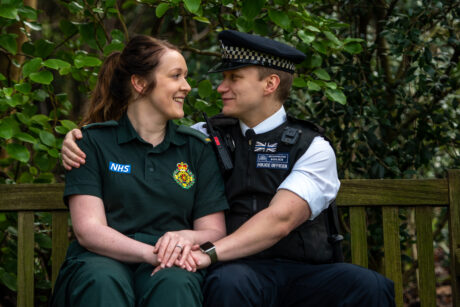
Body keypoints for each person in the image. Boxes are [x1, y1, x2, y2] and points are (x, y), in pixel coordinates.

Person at [61, 30, 395, 306]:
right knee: (228, 282)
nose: (220, 87)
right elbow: (145, 131)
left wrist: (207, 253)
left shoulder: (313, 147)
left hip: (301, 268)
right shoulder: (205, 137)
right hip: (237, 269)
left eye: (234, 78)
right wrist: (75, 139)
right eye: (223, 78)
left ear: (270, 84)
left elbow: (279, 220)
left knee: (371, 286)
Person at [52, 35, 228, 307]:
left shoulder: (196, 148)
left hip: (170, 263)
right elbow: (88, 230)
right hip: (101, 259)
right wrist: (150, 253)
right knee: (101, 280)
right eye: (176, 76)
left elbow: (213, 231)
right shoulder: (91, 143)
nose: (187, 86)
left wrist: (184, 238)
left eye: (186, 77)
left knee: (176, 283)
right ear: (140, 83)